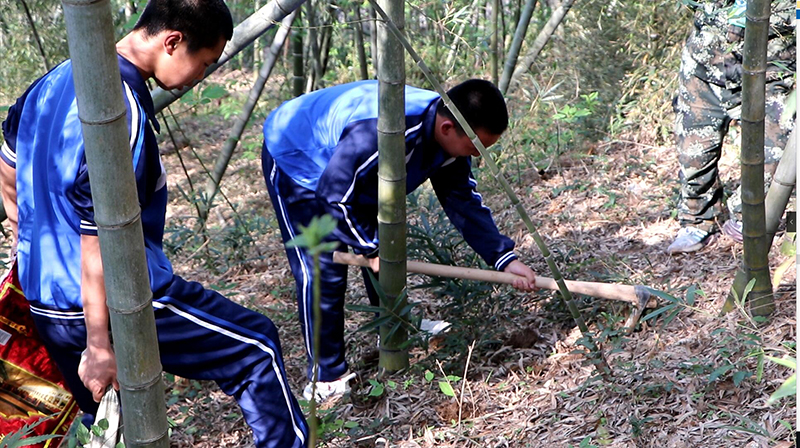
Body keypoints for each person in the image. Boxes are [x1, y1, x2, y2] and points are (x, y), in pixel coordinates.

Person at [0, 1, 308, 446]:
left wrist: (26, 251)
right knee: (255, 347)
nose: (201, 76)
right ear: (173, 42)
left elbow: (8, 167)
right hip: (114, 300)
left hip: (46, 299)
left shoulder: (52, 81)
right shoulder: (116, 107)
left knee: (110, 425)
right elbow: (97, 235)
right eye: (204, 63)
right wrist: (99, 342)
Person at [261, 79, 537, 402]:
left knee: (385, 243)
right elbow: (333, 198)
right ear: (447, 129)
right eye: (475, 148)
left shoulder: (449, 126)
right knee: (322, 268)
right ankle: (326, 376)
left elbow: (462, 200)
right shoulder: (381, 133)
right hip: (299, 158)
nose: (477, 156)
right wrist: (370, 249)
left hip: (350, 167)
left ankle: (393, 328)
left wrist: (504, 258)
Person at [666, 0, 795, 254]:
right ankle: (696, 221)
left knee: (778, 156)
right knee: (693, 156)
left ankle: (747, 217)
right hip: (705, 63)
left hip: (771, 67)